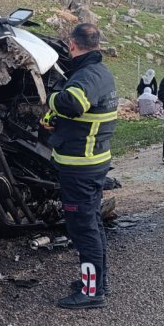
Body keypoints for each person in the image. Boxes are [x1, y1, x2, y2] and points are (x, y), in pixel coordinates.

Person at [43, 23, 118, 308]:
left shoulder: (87, 75)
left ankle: (91, 293)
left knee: (82, 228)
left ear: (72, 45)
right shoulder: (100, 73)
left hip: (80, 167)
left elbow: (72, 103)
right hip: (91, 163)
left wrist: (50, 99)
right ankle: (99, 281)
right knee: (92, 224)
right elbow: (81, 114)